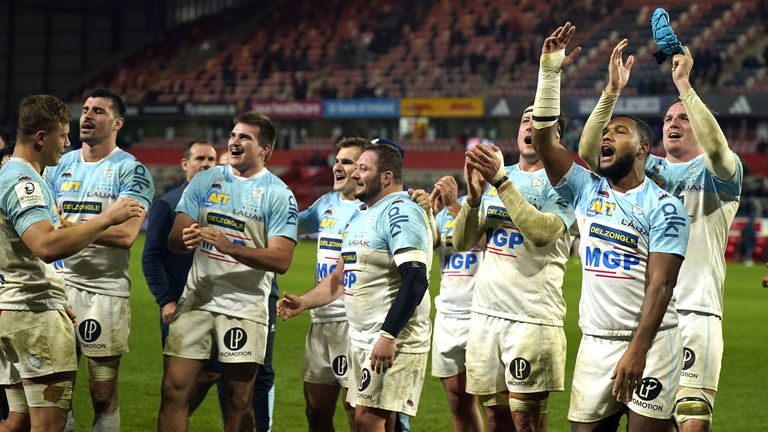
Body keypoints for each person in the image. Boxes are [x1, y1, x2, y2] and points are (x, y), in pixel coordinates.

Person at [577, 39, 743, 432]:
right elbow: (587, 153)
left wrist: (684, 85)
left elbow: (718, 149)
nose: (674, 122)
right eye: (669, 118)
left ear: (702, 128)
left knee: (692, 422)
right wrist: (612, 90)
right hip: (641, 317)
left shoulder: (719, 173)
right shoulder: (647, 169)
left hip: (696, 310)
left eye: (685, 118)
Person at [533, 23, 690, 431]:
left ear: (642, 148)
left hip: (652, 343)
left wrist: (638, 351)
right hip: (596, 341)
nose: (606, 136)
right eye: (604, 132)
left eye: (618, 132)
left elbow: (661, 287)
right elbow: (547, 142)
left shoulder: (665, 208)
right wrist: (550, 74)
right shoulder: (586, 189)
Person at [0, 94, 144, 432]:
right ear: (40, 137)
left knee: (16, 422)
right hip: (33, 318)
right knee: (49, 426)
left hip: (16, 311)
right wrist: (107, 219)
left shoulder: (15, 175)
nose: (67, 144)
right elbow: (46, 246)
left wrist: (58, 296)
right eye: (63, 136)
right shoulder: (24, 182)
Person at [158, 111, 297, 432]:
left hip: (244, 308)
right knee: (172, 390)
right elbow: (175, 239)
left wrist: (229, 246)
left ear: (265, 149)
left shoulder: (278, 193)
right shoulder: (205, 180)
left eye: (244, 137)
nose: (234, 141)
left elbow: (281, 260)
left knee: (238, 400)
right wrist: (185, 237)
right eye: (233, 135)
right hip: (197, 302)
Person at [279, 144, 432, 432]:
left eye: (363, 169)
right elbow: (339, 278)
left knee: (366, 420)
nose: (355, 175)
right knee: (373, 421)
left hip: (392, 340)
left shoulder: (401, 212)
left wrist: (388, 335)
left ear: (386, 177)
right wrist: (305, 302)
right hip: (362, 338)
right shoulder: (361, 216)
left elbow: (416, 278)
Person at [451, 102, 575, 432]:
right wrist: (474, 200)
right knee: (495, 417)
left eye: (539, 122)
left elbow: (541, 233)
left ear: (554, 136)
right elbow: (462, 243)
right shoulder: (497, 178)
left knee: (527, 420)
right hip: (486, 314)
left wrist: (501, 181)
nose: (529, 127)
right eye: (524, 120)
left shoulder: (563, 183)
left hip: (531, 317)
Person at [44, 88, 155, 432]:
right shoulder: (58, 165)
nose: (87, 116)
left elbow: (125, 235)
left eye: (99, 111)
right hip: (58, 289)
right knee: (56, 391)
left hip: (103, 292)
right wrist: (79, 226)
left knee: (102, 392)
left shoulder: (131, 171)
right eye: (86, 109)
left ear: (118, 122)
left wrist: (68, 227)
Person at [296, 137, 371, 431]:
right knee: (315, 413)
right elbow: (294, 224)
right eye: (337, 160)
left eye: (347, 161)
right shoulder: (326, 203)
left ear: (363, 169)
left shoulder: (372, 209)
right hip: (320, 320)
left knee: (357, 413)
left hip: (353, 324)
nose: (337, 166)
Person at [428, 172, 484, 432]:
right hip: (449, 313)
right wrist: (429, 213)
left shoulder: (499, 203)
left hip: (483, 314)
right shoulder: (448, 208)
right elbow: (428, 246)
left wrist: (453, 207)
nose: (476, 170)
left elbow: (487, 242)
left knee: (496, 403)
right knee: (457, 399)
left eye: (483, 162)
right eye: (470, 164)